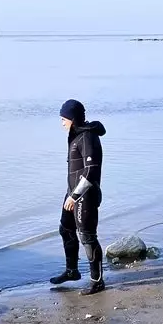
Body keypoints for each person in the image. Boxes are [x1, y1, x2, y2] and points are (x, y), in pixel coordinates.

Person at [49, 99, 107, 295]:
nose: (62, 123)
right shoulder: (75, 135)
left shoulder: (88, 137)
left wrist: (74, 197)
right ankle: (72, 271)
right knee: (65, 229)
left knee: (87, 237)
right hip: (72, 192)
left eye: (64, 119)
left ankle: (97, 281)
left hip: (86, 194)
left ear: (73, 119)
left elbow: (91, 172)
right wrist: (70, 194)